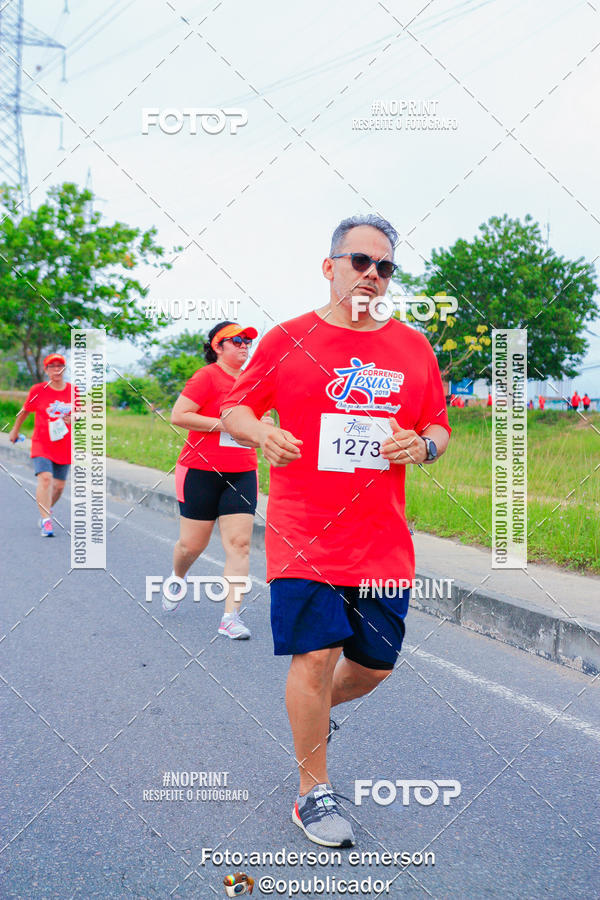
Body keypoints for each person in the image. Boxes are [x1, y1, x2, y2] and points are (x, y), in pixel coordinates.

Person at [221, 214, 451, 847]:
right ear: (330, 268)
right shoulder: (287, 339)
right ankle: (311, 792)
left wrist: (423, 447)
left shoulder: (412, 347)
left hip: (381, 540)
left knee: (374, 667)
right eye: (360, 262)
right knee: (315, 656)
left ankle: (311, 717)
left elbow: (438, 424)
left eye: (385, 267)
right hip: (305, 532)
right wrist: (260, 431)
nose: (372, 275)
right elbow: (235, 406)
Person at [165, 321, 262, 640]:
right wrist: (227, 425)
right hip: (200, 472)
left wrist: (265, 425)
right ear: (217, 347)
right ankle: (178, 577)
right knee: (192, 544)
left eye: (248, 340)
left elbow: (261, 420)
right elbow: (179, 415)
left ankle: (230, 617)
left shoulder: (255, 380)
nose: (245, 345)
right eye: (237, 341)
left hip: (242, 471)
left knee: (240, 544)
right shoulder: (207, 377)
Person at [9, 353, 74, 537]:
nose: (56, 369)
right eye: (51, 366)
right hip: (42, 443)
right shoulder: (38, 389)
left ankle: (46, 509)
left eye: (59, 366)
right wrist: (14, 430)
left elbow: (81, 413)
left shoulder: (73, 391)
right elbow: (25, 411)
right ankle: (46, 521)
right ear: (46, 370)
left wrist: (73, 417)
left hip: (63, 444)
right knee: (45, 478)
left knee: (59, 487)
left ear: (64, 369)